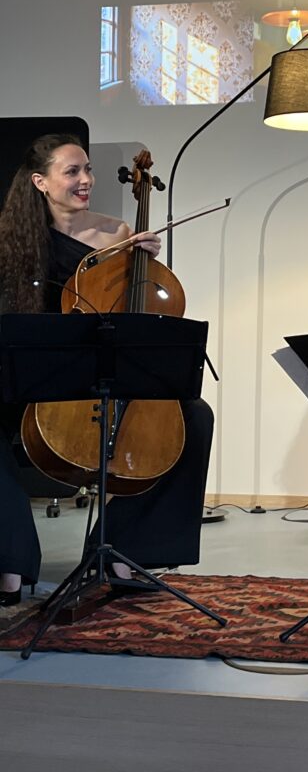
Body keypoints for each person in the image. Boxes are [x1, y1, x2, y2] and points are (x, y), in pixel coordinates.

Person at [0, 133, 214, 607]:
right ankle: (9, 559)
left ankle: (126, 549)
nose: (86, 180)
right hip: (37, 372)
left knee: (195, 416)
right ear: (40, 181)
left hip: (96, 370)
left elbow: (129, 310)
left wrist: (142, 265)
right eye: (72, 171)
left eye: (88, 170)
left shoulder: (116, 234)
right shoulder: (9, 241)